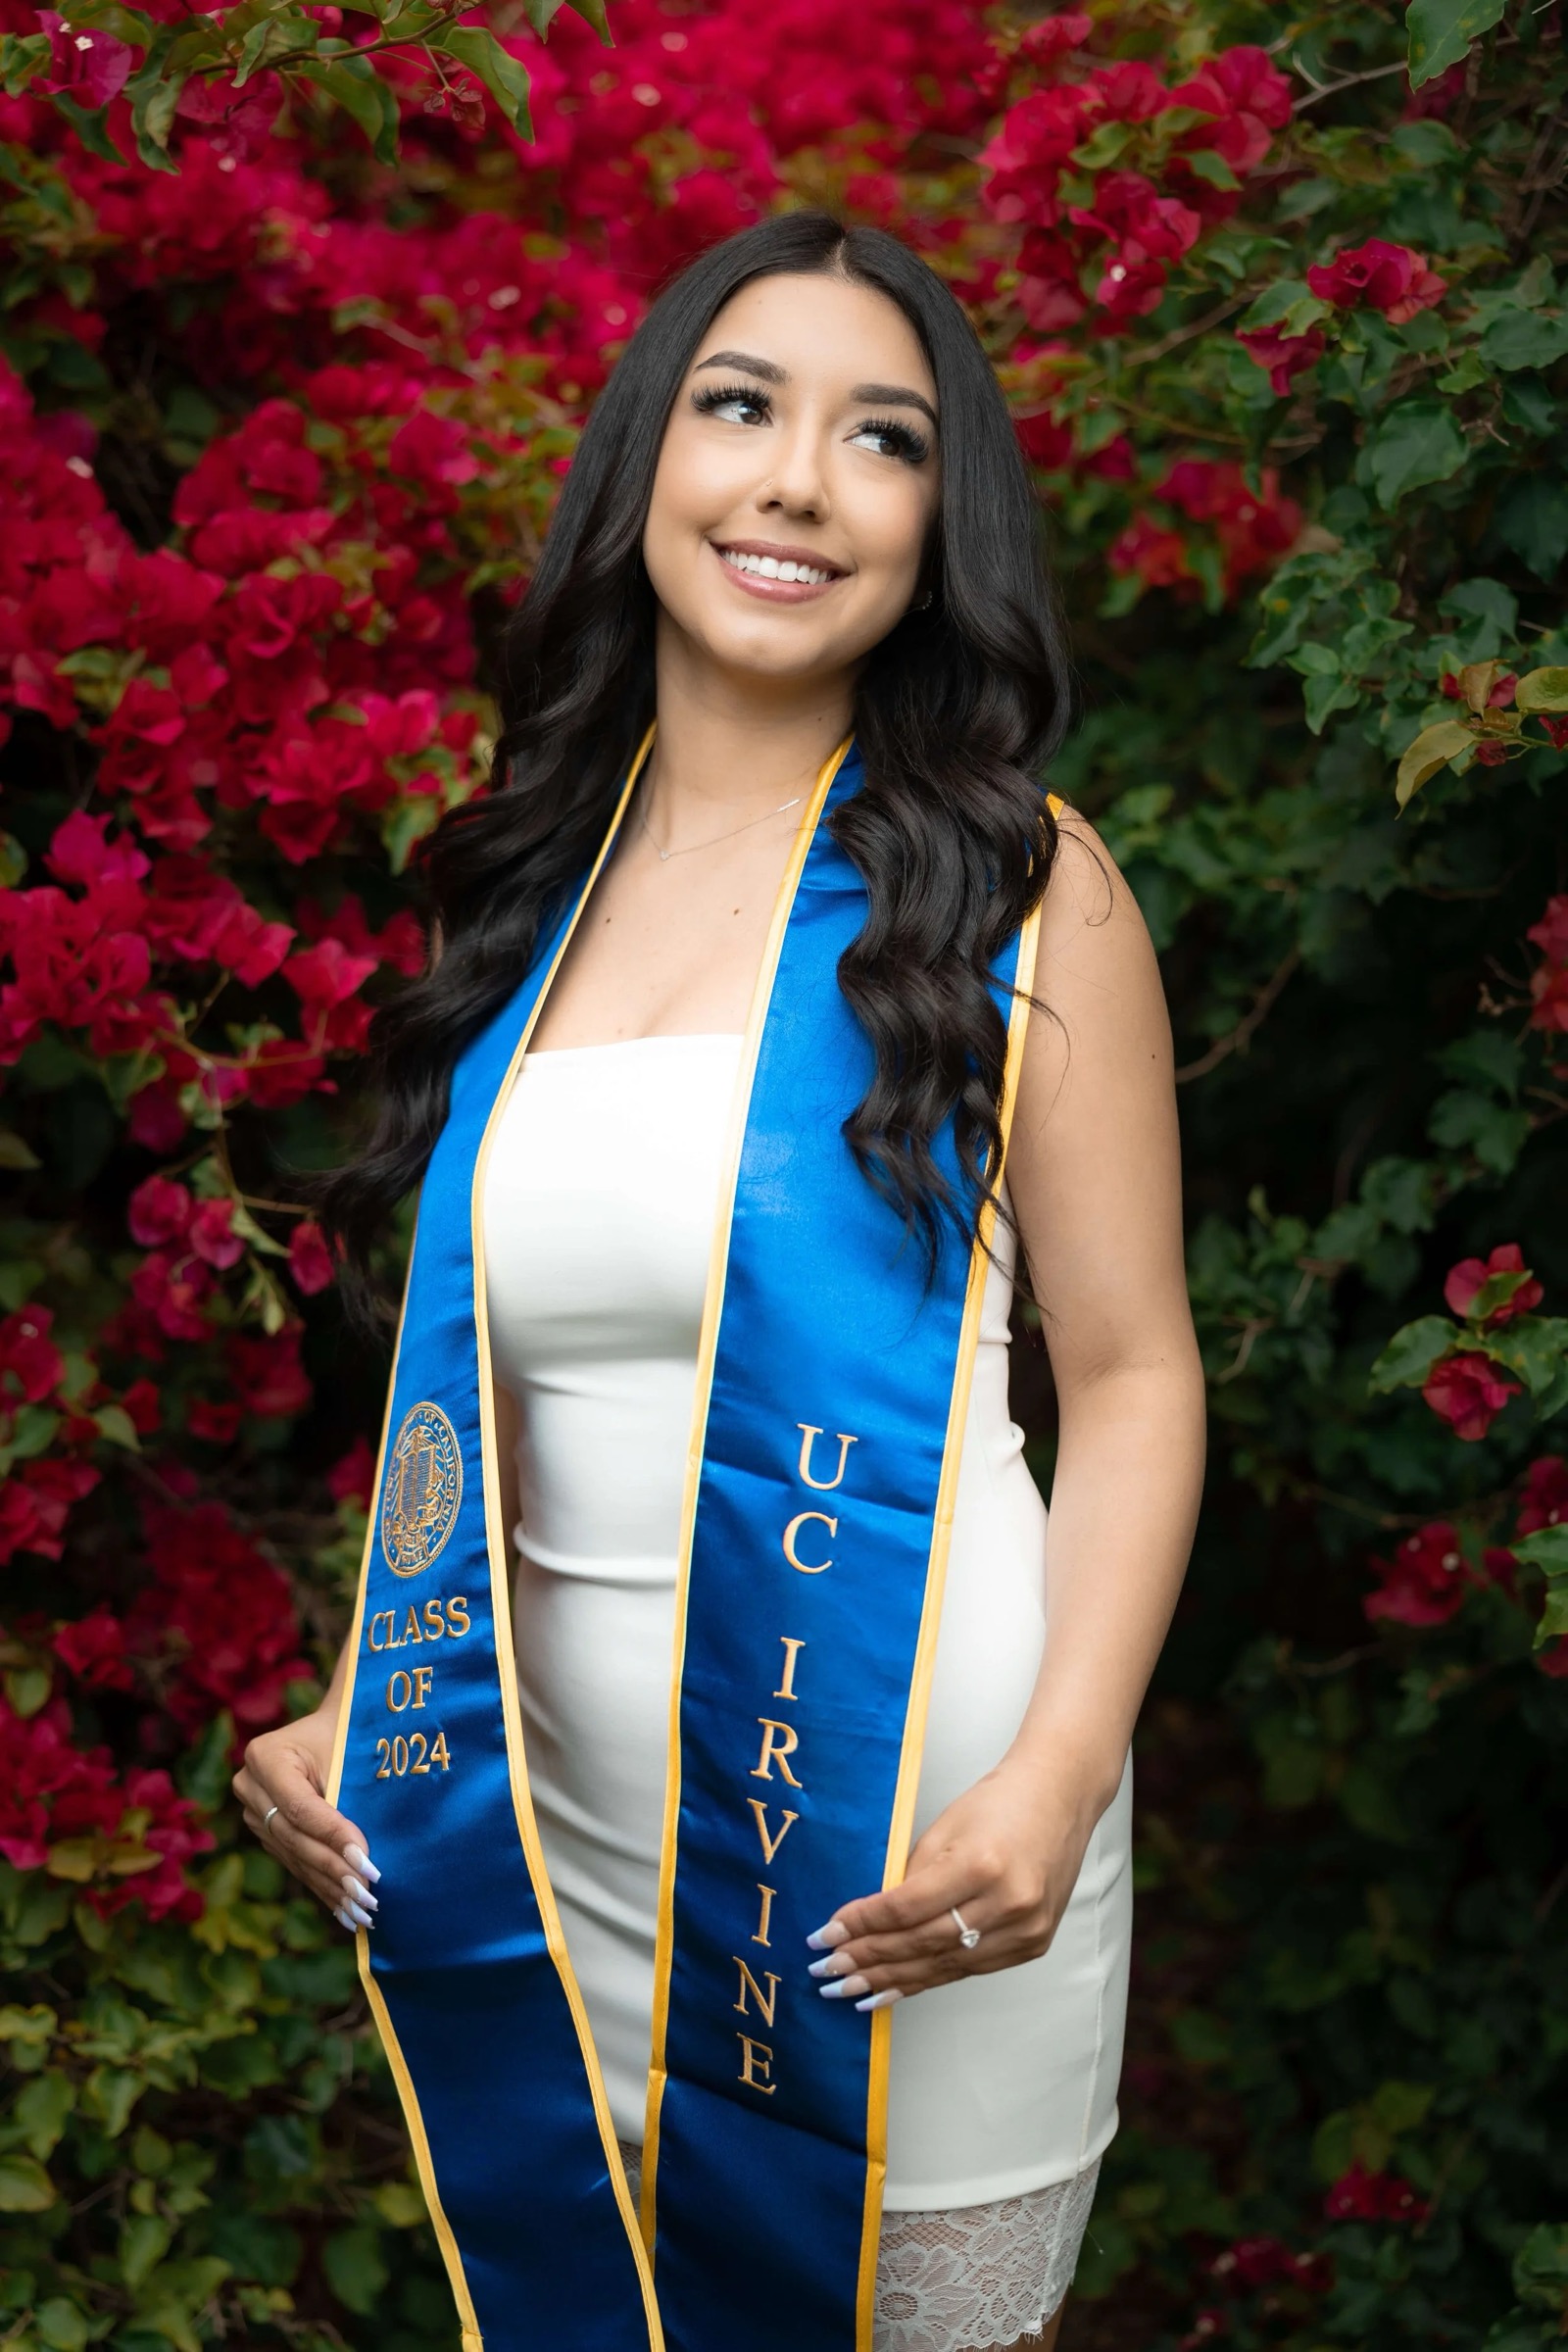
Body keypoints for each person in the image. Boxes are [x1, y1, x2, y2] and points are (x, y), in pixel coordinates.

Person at [233, 211, 1205, 2352]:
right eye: (738, 407)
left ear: (936, 525)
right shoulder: (520, 899)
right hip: (533, 1837)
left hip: (898, 1853)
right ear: (641, 461)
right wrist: (354, 1699)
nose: (792, 482)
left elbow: (1128, 1378)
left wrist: (1053, 1775)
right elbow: (504, 1389)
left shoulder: (1026, 900)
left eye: (879, 439)